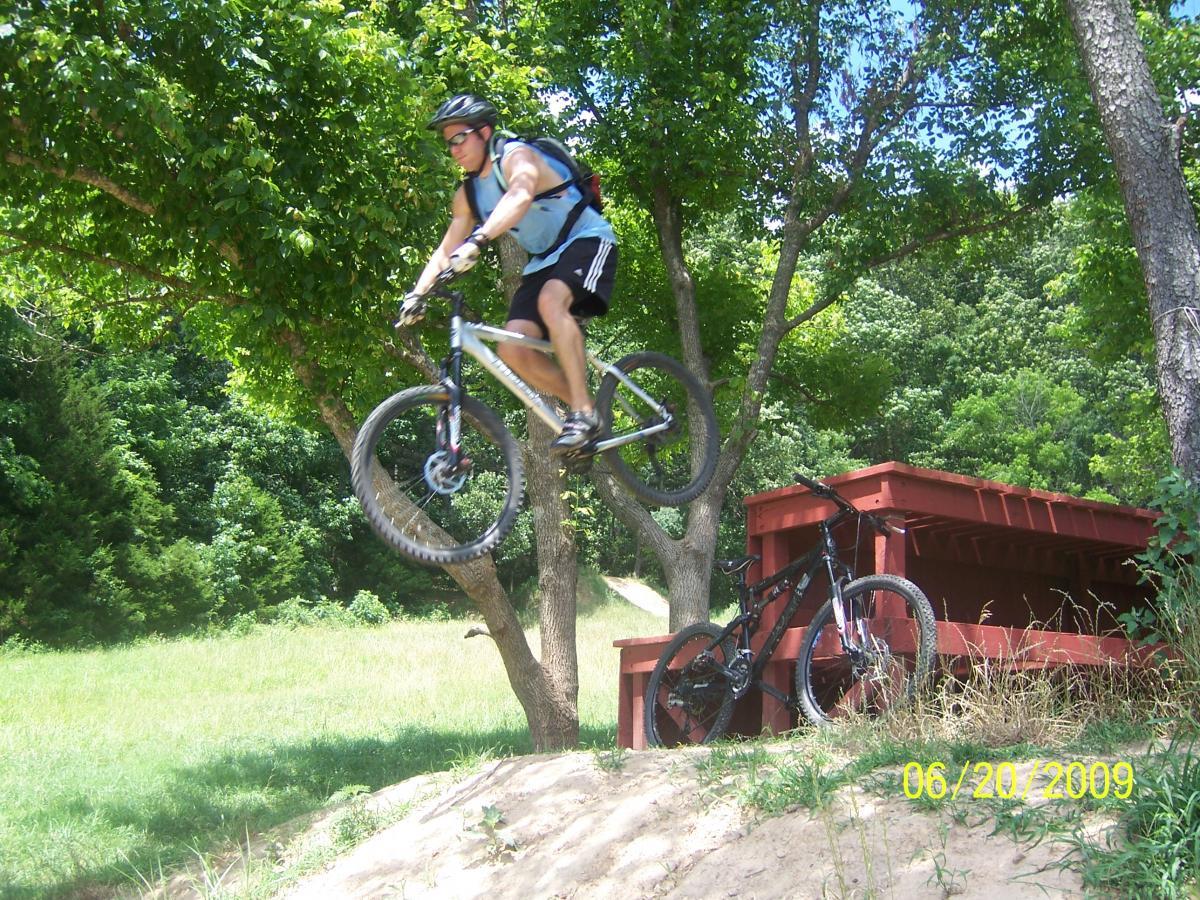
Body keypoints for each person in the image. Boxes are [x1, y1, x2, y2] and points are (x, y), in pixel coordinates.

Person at [398, 93, 618, 454]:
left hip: (587, 238)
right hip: (544, 261)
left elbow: (519, 194)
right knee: (512, 348)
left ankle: (580, 412)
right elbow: (446, 247)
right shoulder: (468, 193)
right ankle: (589, 411)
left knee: (551, 302)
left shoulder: (517, 156)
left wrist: (480, 239)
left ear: (484, 132)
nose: (453, 149)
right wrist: (417, 294)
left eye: (459, 138)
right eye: (447, 143)